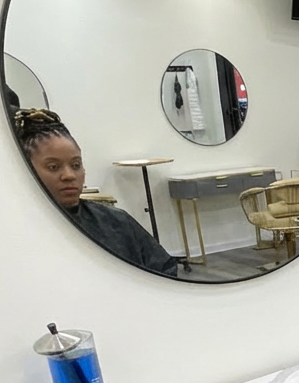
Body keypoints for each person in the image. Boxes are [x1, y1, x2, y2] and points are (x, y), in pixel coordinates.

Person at [14, 109, 178, 277]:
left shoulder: (117, 222)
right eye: (53, 167)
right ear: (26, 169)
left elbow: (165, 271)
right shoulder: (17, 235)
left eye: (76, 165)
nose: (69, 175)